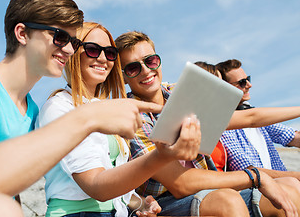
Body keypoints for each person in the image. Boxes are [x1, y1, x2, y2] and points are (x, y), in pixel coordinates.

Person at [0, 0, 164, 213]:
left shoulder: (31, 112)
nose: (68, 49)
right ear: (22, 33)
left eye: (73, 42)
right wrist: (87, 117)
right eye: (59, 37)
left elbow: (7, 190)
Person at [115, 31, 299, 216]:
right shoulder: (132, 117)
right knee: (226, 200)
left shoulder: (180, 91)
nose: (146, 70)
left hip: (210, 190)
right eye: (133, 68)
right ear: (124, 77)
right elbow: (180, 184)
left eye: (151, 61)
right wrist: (254, 177)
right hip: (165, 202)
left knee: (290, 188)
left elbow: (250, 118)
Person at [36, 21, 201, 217]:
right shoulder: (59, 107)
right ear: (72, 52)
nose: (103, 58)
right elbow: (96, 186)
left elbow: (111, 182)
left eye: (110, 53)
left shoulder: (105, 107)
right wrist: (161, 156)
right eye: (92, 49)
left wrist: (140, 203)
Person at [216, 59, 300, 177]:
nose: (249, 85)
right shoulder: (222, 126)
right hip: (260, 190)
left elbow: (292, 136)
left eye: (248, 79)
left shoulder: (256, 117)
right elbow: (249, 170)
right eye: (242, 82)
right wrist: (294, 176)